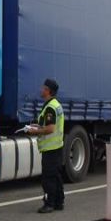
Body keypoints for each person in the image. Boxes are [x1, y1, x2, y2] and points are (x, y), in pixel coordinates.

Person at [26, 78, 65, 213]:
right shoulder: (55, 104)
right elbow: (48, 125)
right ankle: (59, 202)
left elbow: (50, 128)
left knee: (48, 178)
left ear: (48, 90)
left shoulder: (50, 108)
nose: (41, 90)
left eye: (43, 88)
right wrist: (37, 126)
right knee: (56, 176)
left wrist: (34, 131)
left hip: (50, 148)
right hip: (57, 146)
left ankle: (49, 204)